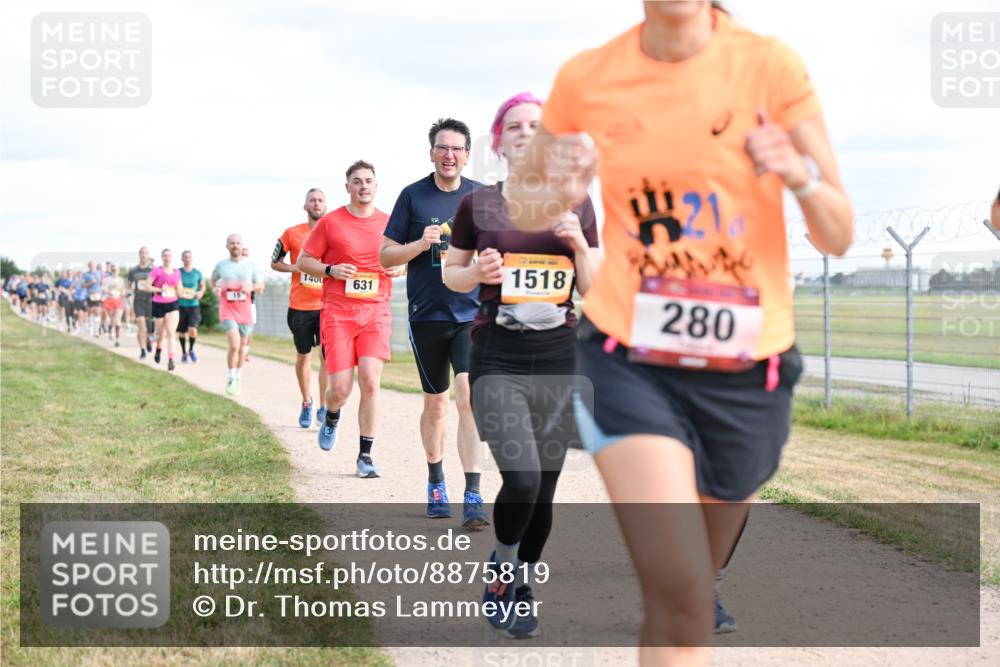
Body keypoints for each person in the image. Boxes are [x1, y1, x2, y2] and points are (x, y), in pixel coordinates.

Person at [506, 2, 853, 662]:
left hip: (750, 370)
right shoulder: (588, 76)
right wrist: (561, 186)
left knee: (695, 583)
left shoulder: (770, 66)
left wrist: (798, 173)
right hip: (628, 357)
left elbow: (838, 231)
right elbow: (524, 203)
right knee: (682, 593)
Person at [444, 92, 601, 638]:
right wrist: (478, 274)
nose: (526, 133)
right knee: (524, 477)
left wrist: (580, 246)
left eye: (538, 126)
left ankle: (520, 581)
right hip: (497, 353)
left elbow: (595, 287)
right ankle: (503, 568)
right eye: (515, 126)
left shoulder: (576, 202)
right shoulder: (478, 206)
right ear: (499, 140)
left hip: (560, 355)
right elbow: (451, 275)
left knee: (546, 490)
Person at [380, 118, 489, 525]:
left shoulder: (480, 198)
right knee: (436, 406)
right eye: (442, 148)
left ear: (466, 154)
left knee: (469, 398)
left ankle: (474, 495)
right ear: (431, 153)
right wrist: (418, 244)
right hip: (426, 316)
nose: (449, 155)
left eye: (457, 148)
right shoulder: (412, 196)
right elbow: (385, 256)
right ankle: (436, 481)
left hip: (471, 314)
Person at [298, 160, 403, 478]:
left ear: (376, 185)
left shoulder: (390, 223)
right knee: (340, 388)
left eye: (368, 180)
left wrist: (400, 268)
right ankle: (331, 414)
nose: (363, 186)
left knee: (370, 380)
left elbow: (403, 259)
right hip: (338, 314)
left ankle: (365, 456)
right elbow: (304, 261)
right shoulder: (330, 222)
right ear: (348, 187)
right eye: (356, 181)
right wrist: (330, 270)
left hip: (376, 311)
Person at [272, 187, 332, 428]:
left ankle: (324, 406)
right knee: (303, 356)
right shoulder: (292, 233)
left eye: (320, 200)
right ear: (305, 206)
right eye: (312, 200)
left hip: (328, 304)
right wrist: (296, 268)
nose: (316, 204)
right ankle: (307, 401)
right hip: (300, 305)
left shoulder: (333, 231)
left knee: (327, 358)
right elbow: (274, 262)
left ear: (325, 205)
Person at [212, 234, 263, 395]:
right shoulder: (221, 265)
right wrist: (215, 288)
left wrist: (252, 288)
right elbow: (213, 281)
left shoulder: (251, 265)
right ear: (227, 246)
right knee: (234, 345)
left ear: (242, 246)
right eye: (232, 243)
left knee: (242, 347)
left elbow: (261, 286)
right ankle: (231, 376)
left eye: (238, 243)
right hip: (227, 308)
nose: (235, 245)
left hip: (245, 310)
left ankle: (238, 377)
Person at [149, 249, 182, 371]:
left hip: (172, 303)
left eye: (169, 255)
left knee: (171, 332)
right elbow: (147, 286)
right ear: (162, 257)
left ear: (172, 257)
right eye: (165, 255)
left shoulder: (177, 272)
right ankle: (158, 349)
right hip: (158, 304)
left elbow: (179, 287)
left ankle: (171, 359)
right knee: (160, 334)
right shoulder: (157, 271)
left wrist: (180, 292)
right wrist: (159, 290)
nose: (167, 258)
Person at [177, 250, 206, 363]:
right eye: (185, 257)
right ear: (182, 259)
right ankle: (184, 353)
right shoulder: (178, 272)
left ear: (192, 258)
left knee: (192, 329)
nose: (187, 259)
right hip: (181, 305)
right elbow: (172, 284)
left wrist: (201, 293)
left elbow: (202, 287)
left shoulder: (197, 273)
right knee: (182, 332)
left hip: (193, 305)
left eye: (189, 257)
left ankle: (191, 350)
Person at [127, 247, 156, 359]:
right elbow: (128, 283)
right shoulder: (134, 270)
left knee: (149, 328)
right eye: (142, 253)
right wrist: (130, 291)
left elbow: (158, 281)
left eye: (146, 253)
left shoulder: (153, 269)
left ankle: (149, 340)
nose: (144, 255)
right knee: (141, 326)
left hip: (151, 300)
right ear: (139, 254)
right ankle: (143, 350)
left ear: (149, 255)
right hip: (138, 300)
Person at [101, 264, 126, 347]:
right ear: (111, 271)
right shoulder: (107, 279)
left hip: (118, 301)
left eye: (116, 270)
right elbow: (103, 289)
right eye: (113, 270)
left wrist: (122, 293)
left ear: (119, 271)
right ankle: (110, 331)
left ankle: (117, 339)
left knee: (117, 320)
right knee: (112, 319)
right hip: (110, 300)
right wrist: (110, 292)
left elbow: (123, 290)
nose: (115, 271)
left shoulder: (121, 280)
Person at [241, 246, 258, 362]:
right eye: (243, 254)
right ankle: (239, 350)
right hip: (235, 305)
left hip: (250, 303)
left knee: (250, 328)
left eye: (247, 255)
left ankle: (246, 352)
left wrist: (251, 287)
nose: (245, 257)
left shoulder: (252, 270)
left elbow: (259, 285)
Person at [82, 261, 103, 337]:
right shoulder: (85, 275)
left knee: (98, 312)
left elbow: (101, 283)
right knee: (90, 312)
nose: (92, 267)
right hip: (89, 296)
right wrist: (90, 283)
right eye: (90, 265)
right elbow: (82, 285)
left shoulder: (99, 273)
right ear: (88, 266)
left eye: (93, 265)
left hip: (97, 295)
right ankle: (90, 328)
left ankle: (96, 331)